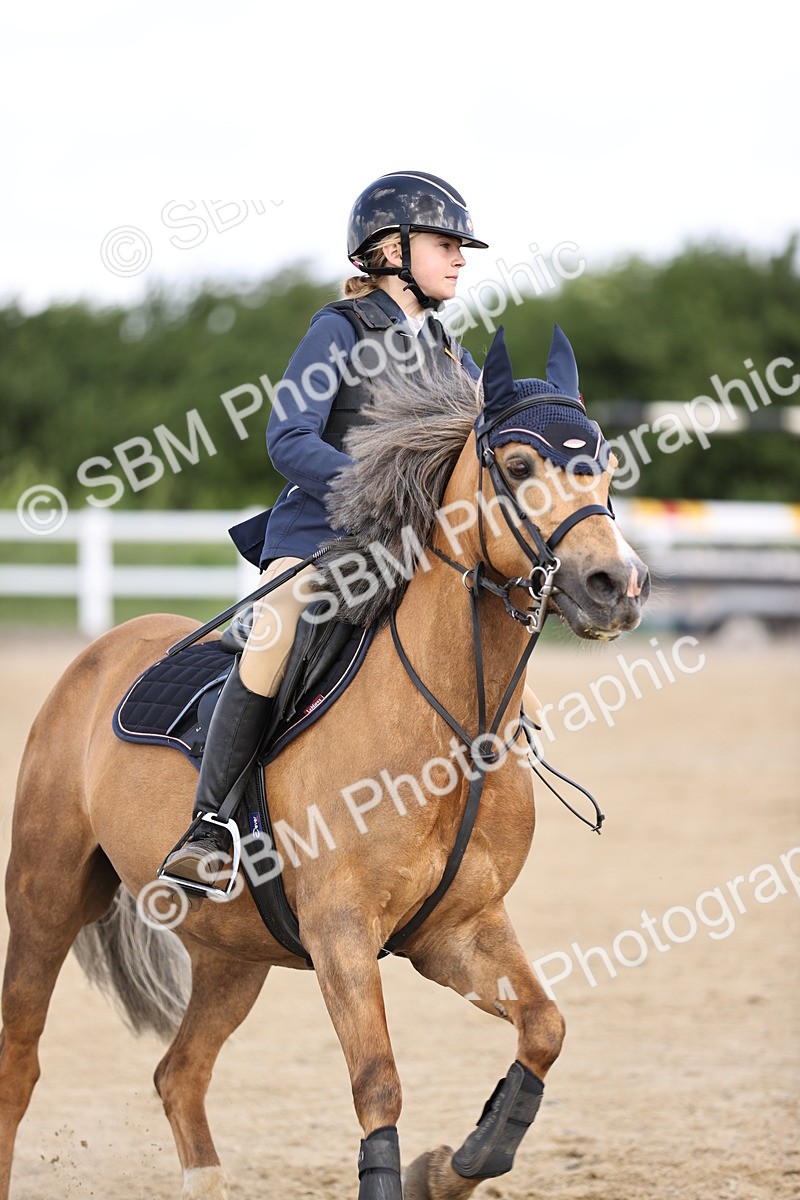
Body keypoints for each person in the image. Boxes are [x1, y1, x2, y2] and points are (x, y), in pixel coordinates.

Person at [161, 170, 489, 887]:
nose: (462, 257)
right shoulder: (338, 329)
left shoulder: (449, 352)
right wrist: (378, 490)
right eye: (446, 243)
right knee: (275, 633)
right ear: (390, 250)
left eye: (462, 246)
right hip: (318, 536)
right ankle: (211, 825)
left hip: (410, 551)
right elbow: (287, 437)